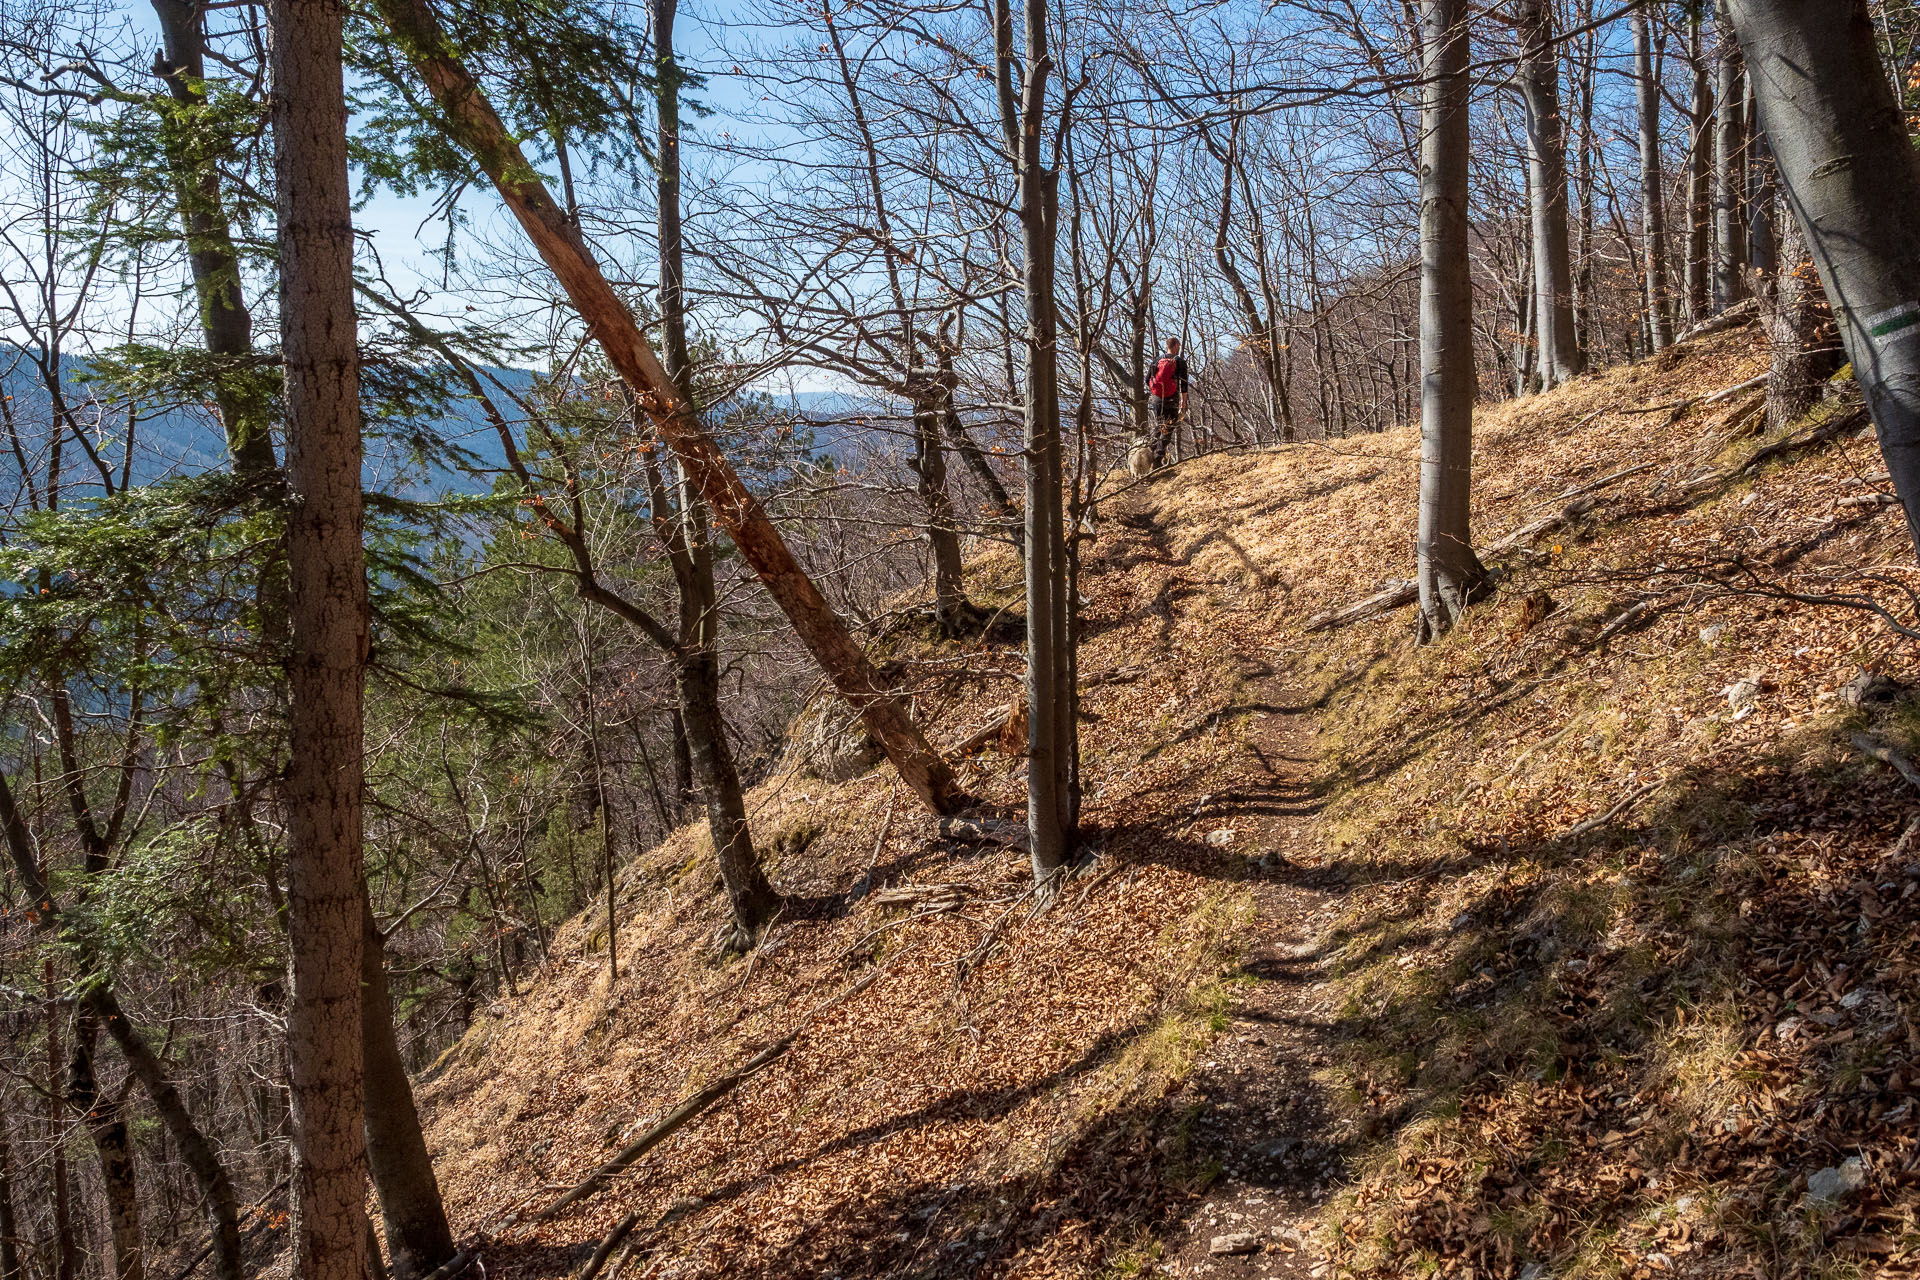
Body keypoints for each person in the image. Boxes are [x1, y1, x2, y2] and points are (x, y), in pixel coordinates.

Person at [1147, 337, 1189, 466]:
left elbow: (1147, 379)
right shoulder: (1179, 361)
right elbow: (1184, 384)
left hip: (1156, 399)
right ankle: (1157, 459)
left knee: (1158, 426)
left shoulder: (1157, 360)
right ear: (1176, 345)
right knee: (1168, 428)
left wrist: (1156, 392)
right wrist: (1183, 402)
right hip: (1171, 399)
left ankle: (1148, 453)